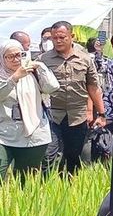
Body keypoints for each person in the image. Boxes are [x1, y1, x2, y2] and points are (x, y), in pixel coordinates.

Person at [39, 20, 105, 175]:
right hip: (52, 115)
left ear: (72, 36)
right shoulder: (43, 60)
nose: (58, 41)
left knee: (73, 156)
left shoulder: (85, 59)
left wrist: (101, 114)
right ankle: (45, 187)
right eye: (55, 38)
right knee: (49, 154)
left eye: (62, 37)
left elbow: (93, 87)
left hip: (78, 115)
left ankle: (68, 187)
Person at [0, 40, 59, 182]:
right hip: (4, 133)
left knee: (24, 180)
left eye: (19, 55)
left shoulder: (33, 73)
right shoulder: (2, 75)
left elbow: (52, 88)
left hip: (33, 134)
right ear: (2, 58)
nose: (16, 59)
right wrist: (14, 78)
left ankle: (18, 204)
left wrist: (41, 67)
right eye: (10, 56)